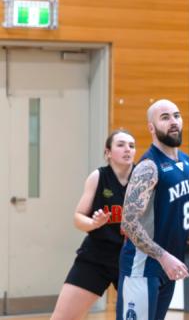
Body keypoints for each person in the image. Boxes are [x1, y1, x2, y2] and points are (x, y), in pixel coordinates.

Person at [117, 99, 189, 320]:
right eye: (165, 118)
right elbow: (128, 223)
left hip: (167, 267)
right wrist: (164, 257)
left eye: (176, 116)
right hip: (142, 267)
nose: (173, 122)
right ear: (151, 128)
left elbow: (187, 212)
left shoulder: (188, 163)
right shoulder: (148, 167)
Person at [50, 129, 136, 320]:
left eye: (131, 145)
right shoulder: (98, 177)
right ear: (108, 152)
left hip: (132, 259)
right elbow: (78, 218)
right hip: (97, 256)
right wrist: (94, 222)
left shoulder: (142, 179)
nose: (127, 149)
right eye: (120, 145)